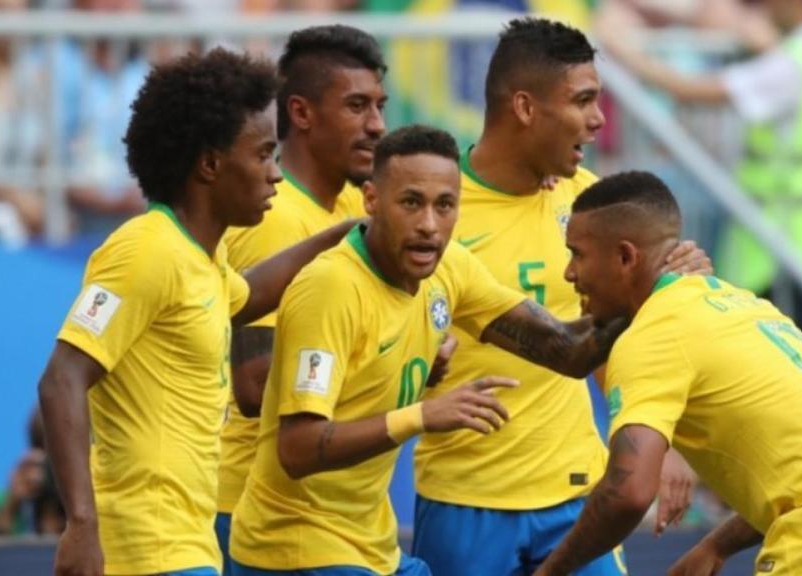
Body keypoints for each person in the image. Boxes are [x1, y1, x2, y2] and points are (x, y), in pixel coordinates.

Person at [229, 124, 635, 576]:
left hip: (370, 546)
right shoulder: (331, 288)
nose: (428, 224)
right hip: (297, 549)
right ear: (371, 200)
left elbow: (565, 350)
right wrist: (423, 415)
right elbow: (298, 448)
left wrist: (650, 287)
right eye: (411, 203)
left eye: (444, 206)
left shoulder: (450, 268)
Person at [37, 49, 359, 576]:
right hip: (145, 547)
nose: (276, 175)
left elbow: (246, 296)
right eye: (261, 155)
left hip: (187, 544)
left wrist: (346, 237)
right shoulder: (145, 249)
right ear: (210, 164)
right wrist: (81, 525)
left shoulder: (203, 257)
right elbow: (61, 379)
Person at [534, 171, 802, 576]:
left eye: (577, 254)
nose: (569, 273)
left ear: (625, 257)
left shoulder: (652, 335)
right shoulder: (743, 305)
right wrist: (716, 545)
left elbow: (628, 493)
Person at [411, 18, 705, 576]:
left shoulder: (584, 200)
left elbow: (612, 343)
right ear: (525, 107)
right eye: (584, 101)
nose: (598, 120)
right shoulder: (436, 213)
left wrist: (667, 437)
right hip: (465, 499)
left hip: (575, 495)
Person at [597, 0, 802, 339]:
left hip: (801, 250)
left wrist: (623, 54)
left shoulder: (796, 61)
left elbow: (693, 90)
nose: (765, 9)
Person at [215, 24, 386, 573]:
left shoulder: (348, 212)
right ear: (303, 113)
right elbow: (253, 382)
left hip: (321, 513)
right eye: (357, 106)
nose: (377, 125)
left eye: (380, 105)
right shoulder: (274, 216)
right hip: (247, 508)